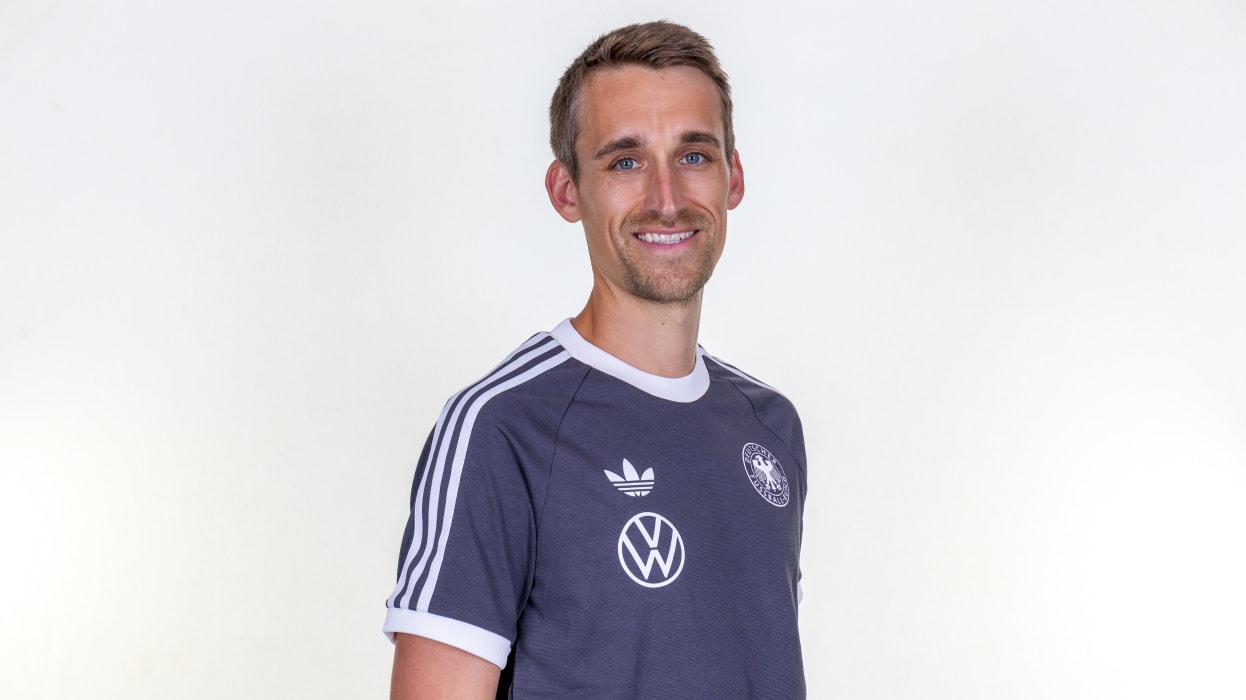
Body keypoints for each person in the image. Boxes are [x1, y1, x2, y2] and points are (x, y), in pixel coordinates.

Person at [385, 21, 807, 698]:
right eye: (626, 161)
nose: (667, 198)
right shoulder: (503, 428)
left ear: (735, 178)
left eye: (694, 155)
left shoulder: (769, 427)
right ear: (566, 190)